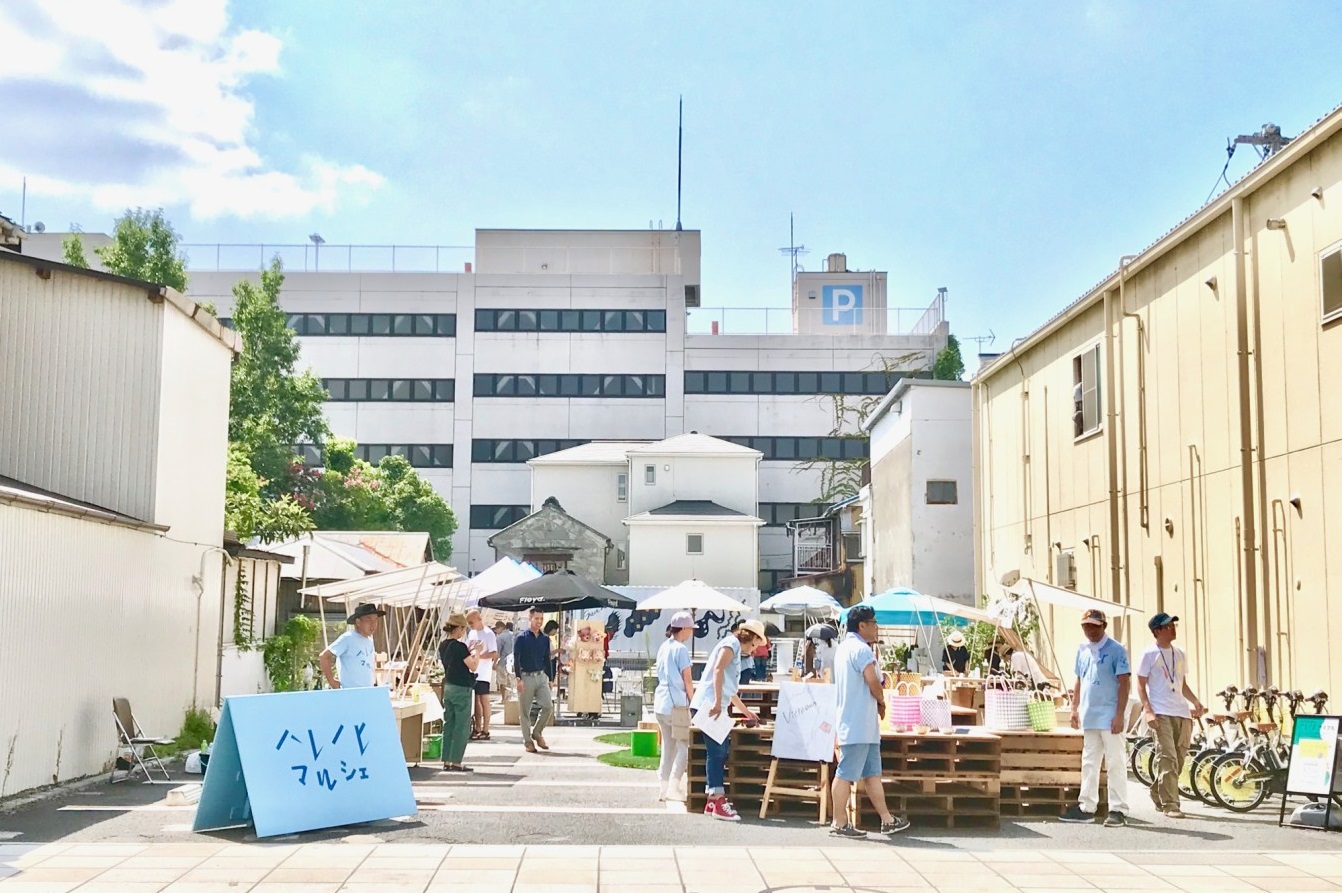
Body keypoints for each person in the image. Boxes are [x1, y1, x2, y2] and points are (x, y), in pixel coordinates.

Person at [829, 605, 911, 838]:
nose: (876, 627)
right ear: (861, 625)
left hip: (857, 722)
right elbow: (872, 681)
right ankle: (839, 822)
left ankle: (886, 819)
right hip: (859, 723)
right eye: (873, 622)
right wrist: (882, 701)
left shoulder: (844, 648)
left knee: (872, 773)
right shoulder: (862, 650)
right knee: (846, 773)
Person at [1061, 609, 1131, 826]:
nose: (1090, 630)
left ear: (1104, 626)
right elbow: (1079, 680)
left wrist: (1119, 714)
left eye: (1095, 626)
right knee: (1089, 761)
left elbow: (1124, 683)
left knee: (1115, 761)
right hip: (1090, 713)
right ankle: (1087, 806)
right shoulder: (1082, 650)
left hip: (1110, 713)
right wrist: (1074, 708)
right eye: (1086, 626)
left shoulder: (1117, 650)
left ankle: (1118, 808)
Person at [690, 619, 766, 821]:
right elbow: (718, 670)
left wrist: (746, 711)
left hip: (712, 706)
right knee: (718, 751)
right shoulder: (731, 644)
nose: (755, 650)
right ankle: (718, 799)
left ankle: (713, 799)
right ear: (753, 637)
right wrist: (716, 702)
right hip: (710, 706)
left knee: (719, 751)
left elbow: (729, 689)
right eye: (756, 645)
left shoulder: (735, 649)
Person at [1137, 613, 1206, 819]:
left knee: (1179, 757)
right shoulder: (1149, 654)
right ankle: (1171, 804)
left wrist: (1195, 701)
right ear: (1157, 631)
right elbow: (1140, 685)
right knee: (1167, 757)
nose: (1173, 628)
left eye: (1173, 625)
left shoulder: (1180, 653)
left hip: (1181, 712)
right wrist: (1148, 711)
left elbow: (1182, 684)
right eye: (1168, 626)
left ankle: (1157, 791)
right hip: (1161, 711)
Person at [654, 612, 696, 803]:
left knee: (667, 747)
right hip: (676, 705)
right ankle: (674, 785)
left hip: (661, 702)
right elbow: (687, 680)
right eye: (690, 629)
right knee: (683, 746)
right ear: (685, 629)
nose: (691, 633)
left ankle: (663, 788)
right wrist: (693, 702)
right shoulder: (681, 650)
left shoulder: (663, 646)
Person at [438, 613, 480, 773]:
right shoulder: (460, 647)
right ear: (459, 629)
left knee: (449, 724)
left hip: (448, 686)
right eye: (463, 629)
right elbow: (473, 666)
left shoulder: (443, 645)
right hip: (461, 688)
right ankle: (456, 761)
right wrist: (477, 652)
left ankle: (446, 759)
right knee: (462, 726)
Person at [514, 608, 555, 754]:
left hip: (541, 676)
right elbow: (516, 659)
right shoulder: (521, 637)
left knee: (548, 706)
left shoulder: (544, 639)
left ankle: (537, 732)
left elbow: (547, 658)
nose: (539, 622)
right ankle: (528, 742)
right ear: (530, 618)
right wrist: (518, 678)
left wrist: (550, 678)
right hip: (526, 676)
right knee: (525, 711)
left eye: (541, 619)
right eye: (536, 618)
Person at [319, 603, 385, 689]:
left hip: (367, 691)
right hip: (350, 692)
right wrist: (332, 681)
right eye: (369, 620)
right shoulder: (348, 638)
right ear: (358, 622)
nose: (373, 624)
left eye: (375, 620)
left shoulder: (369, 640)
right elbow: (324, 656)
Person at [465, 610, 499, 741]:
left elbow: (494, 653)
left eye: (471, 622)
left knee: (483, 700)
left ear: (479, 619)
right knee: (476, 701)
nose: (470, 625)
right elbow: (468, 648)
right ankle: (477, 727)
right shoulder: (472, 633)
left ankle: (485, 728)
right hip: (472, 670)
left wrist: (479, 655)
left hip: (483, 672)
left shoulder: (489, 634)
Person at [495, 621, 516, 700]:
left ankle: (504, 698)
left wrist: (494, 663)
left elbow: (498, 652)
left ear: (500, 628)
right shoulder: (513, 635)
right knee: (511, 682)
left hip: (503, 662)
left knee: (502, 681)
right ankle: (510, 698)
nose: (496, 631)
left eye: (496, 629)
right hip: (513, 662)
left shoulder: (500, 637)